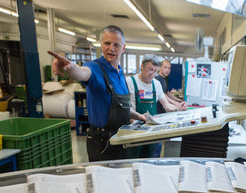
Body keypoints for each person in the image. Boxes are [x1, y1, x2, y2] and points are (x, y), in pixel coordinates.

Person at [48, 25, 146, 162]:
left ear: (123, 48)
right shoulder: (94, 67)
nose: (111, 48)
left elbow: (119, 107)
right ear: (101, 44)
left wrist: (138, 116)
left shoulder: (120, 73)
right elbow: (81, 73)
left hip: (121, 138)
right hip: (102, 142)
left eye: (116, 44)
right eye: (107, 43)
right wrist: (71, 68)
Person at [126, 55, 187, 157]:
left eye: (155, 71)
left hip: (152, 131)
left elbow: (166, 105)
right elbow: (125, 110)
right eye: (150, 70)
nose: (152, 74)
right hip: (134, 131)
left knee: (152, 160)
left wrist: (178, 108)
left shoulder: (156, 84)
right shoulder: (130, 82)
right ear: (142, 66)